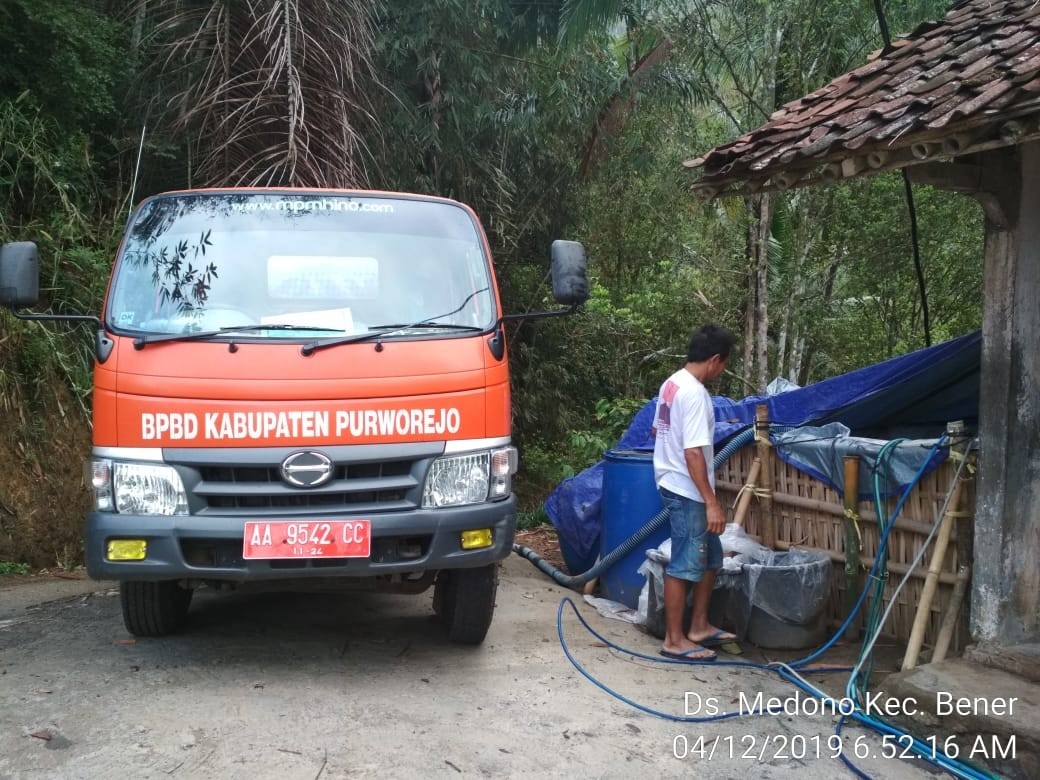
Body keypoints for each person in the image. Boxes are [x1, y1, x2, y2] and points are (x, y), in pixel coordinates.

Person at [652, 324, 737, 662]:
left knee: (710, 558)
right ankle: (674, 639)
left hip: (673, 481)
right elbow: (692, 452)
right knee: (685, 563)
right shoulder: (695, 394)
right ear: (715, 359)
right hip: (687, 490)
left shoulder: (671, 384)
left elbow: (657, 428)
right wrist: (712, 502)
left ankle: (699, 626)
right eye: (724, 364)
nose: (722, 370)